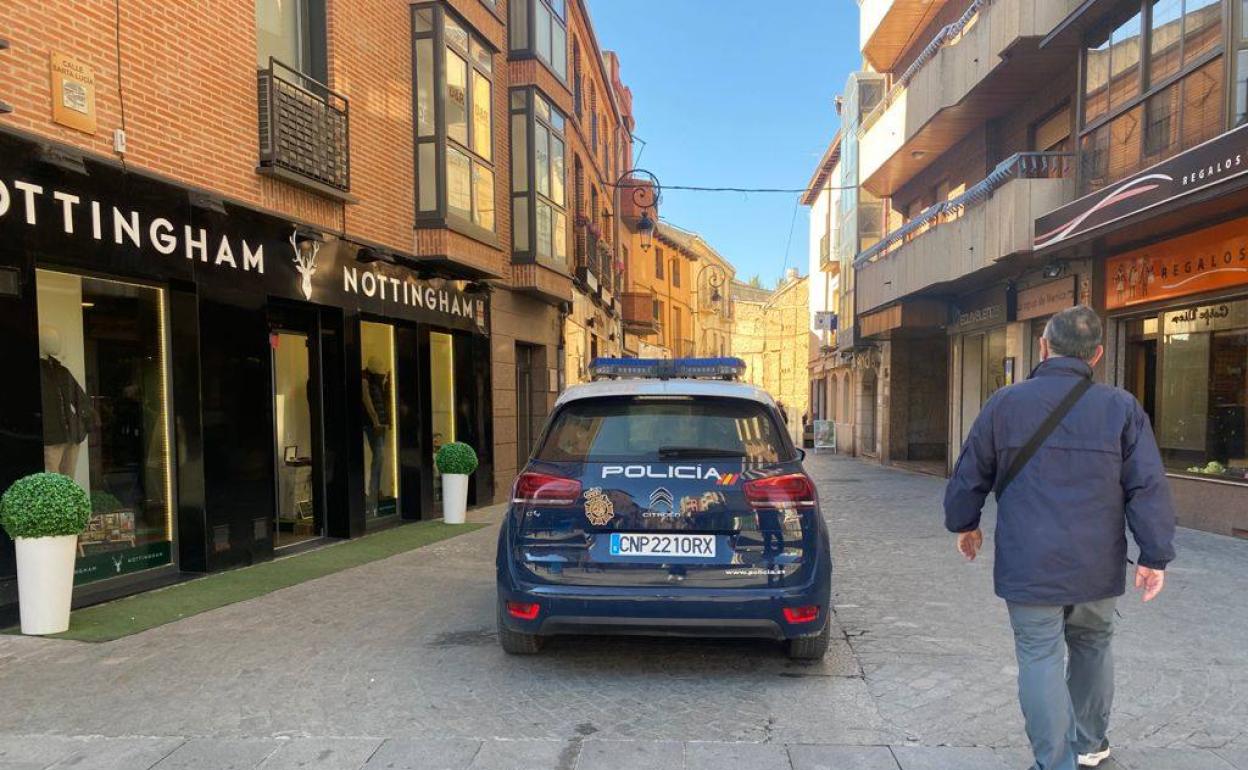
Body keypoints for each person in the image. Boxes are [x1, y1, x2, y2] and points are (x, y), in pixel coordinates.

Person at [943, 305, 1175, 770]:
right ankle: (1090, 744)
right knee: (1093, 644)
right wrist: (1154, 554)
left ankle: (1054, 761)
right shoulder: (1122, 408)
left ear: (1043, 346)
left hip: (1029, 563)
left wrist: (965, 523)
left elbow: (970, 473)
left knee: (1039, 654)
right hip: (1096, 563)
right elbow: (1147, 484)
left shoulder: (1005, 403)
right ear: (1097, 355)